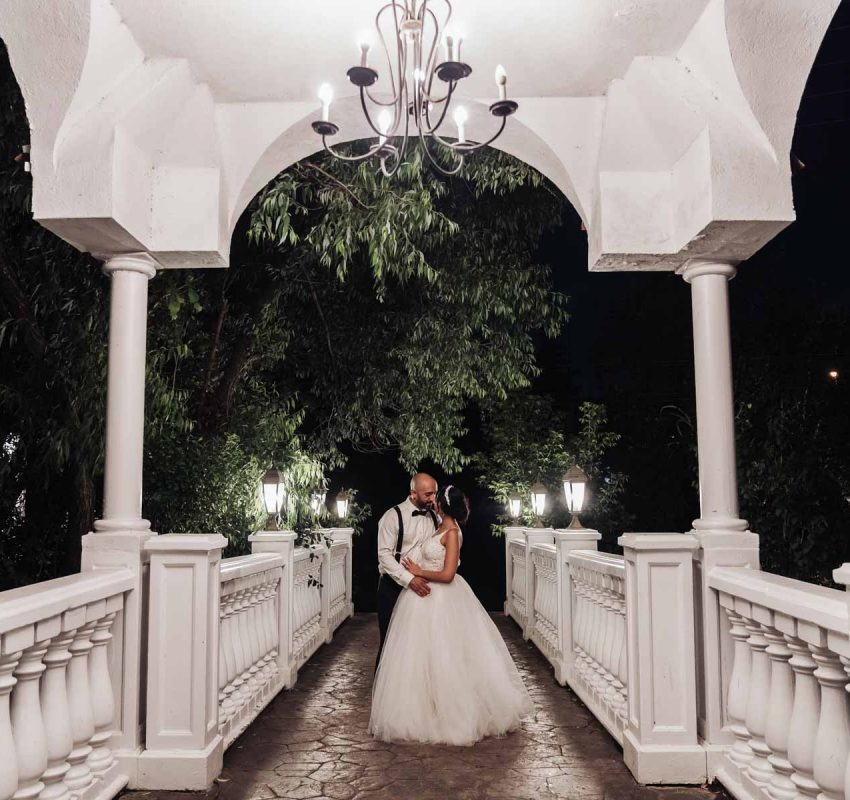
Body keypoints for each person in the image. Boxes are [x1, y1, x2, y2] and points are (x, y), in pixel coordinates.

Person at [369, 485, 532, 745]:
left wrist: (418, 572)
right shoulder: (437, 525)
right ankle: (425, 707)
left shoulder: (452, 531)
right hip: (422, 597)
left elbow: (447, 574)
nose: (432, 501)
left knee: (446, 653)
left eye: (435, 497)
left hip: (442, 597)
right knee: (420, 655)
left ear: (442, 505)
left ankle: (452, 712)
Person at [375, 472, 439, 670]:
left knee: (419, 643)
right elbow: (384, 555)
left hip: (422, 588)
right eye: (428, 494)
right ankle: (382, 685)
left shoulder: (435, 517)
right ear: (413, 493)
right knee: (389, 642)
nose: (433, 499)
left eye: (435, 494)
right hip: (393, 587)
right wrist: (409, 579)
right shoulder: (392, 516)